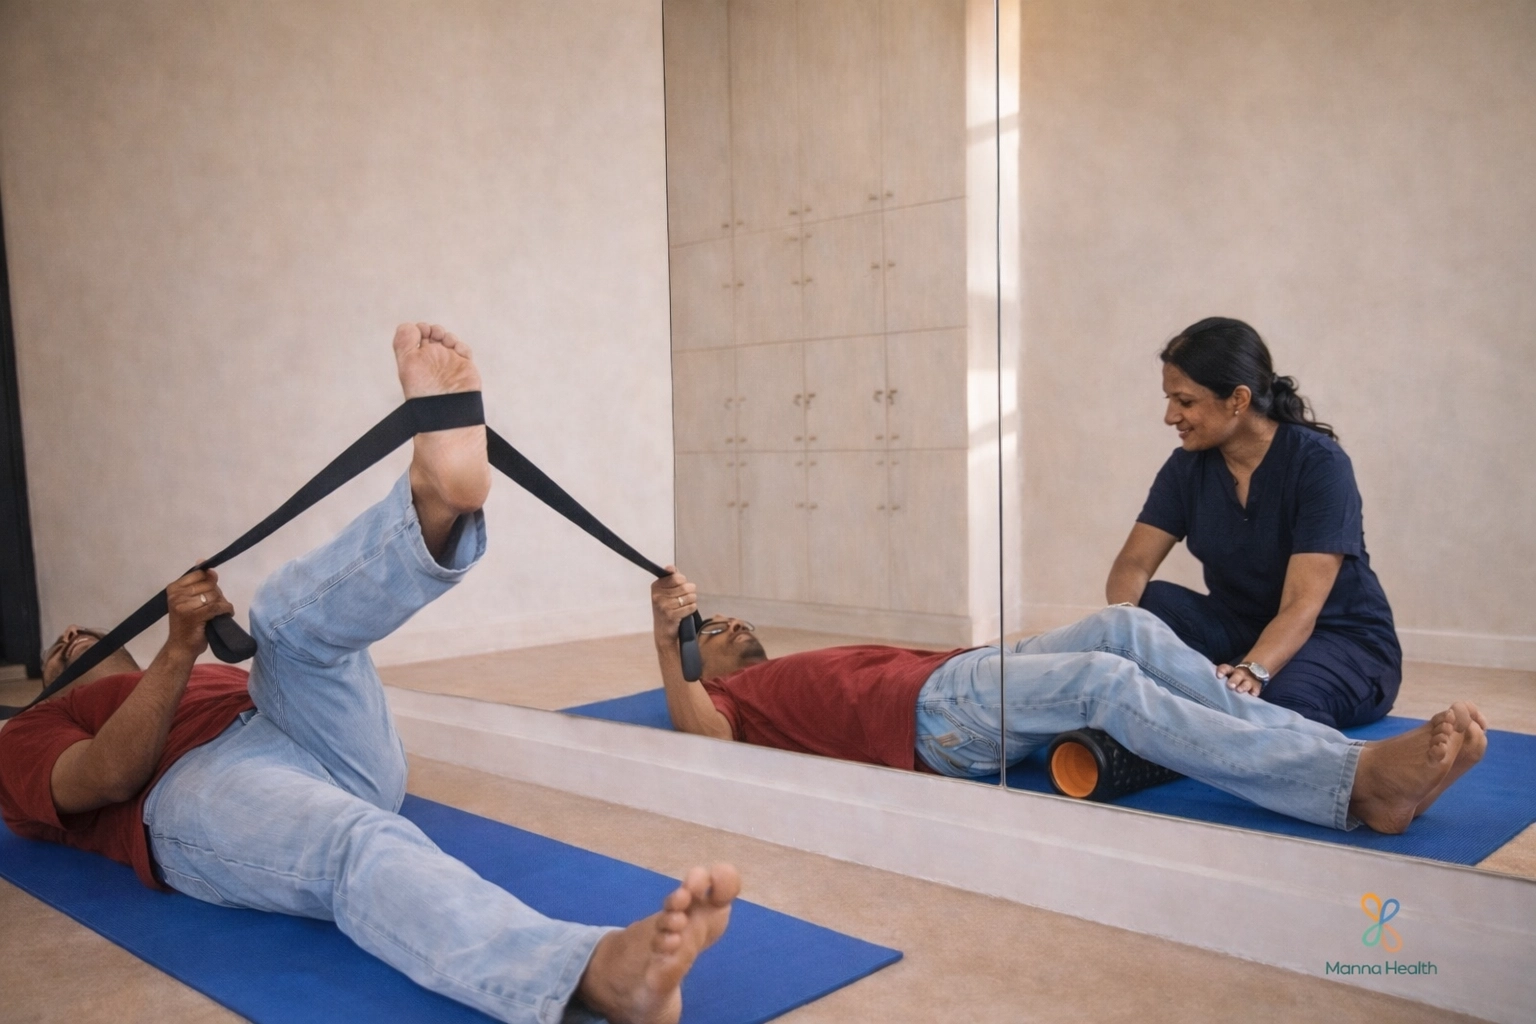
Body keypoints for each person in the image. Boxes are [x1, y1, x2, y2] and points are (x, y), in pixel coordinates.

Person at [0, 324, 739, 1024]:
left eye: (83, 633)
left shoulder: (185, 671)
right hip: (192, 783)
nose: (71, 639)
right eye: (62, 647)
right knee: (356, 842)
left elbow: (281, 661)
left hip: (293, 724)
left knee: (284, 619)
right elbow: (106, 779)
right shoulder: (30, 730)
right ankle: (591, 972)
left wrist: (190, 653)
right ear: (50, 679)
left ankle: (435, 502)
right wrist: (173, 651)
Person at [648, 571, 1487, 835]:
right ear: (702, 662)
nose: (730, 624)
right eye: (713, 628)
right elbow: (698, 733)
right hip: (936, 714)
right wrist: (667, 636)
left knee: (1126, 626)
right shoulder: (729, 698)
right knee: (1106, 684)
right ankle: (1353, 784)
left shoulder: (785, 671)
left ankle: (1346, 764)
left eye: (729, 618)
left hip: (963, 673)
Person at [1106, 317, 1402, 730]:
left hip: (1339, 640)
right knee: (1149, 605)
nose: (1170, 416)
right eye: (1169, 399)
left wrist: (1253, 671)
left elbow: (1302, 604)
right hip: (1239, 630)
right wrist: (1123, 623)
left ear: (1238, 400)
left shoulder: (1319, 465)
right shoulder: (1186, 467)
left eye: (1185, 401)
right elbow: (1133, 564)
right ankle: (1210, 711)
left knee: (1272, 703)